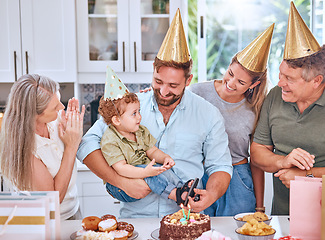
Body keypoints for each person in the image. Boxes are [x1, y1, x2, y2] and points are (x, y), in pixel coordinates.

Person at [77, 9, 232, 218]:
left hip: (185, 218)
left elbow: (220, 165)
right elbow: (87, 144)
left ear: (188, 80)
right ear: (153, 70)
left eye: (173, 85)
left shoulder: (208, 114)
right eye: (158, 82)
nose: (164, 91)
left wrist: (212, 193)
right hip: (136, 218)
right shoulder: (127, 107)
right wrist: (121, 182)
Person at [250, 2, 325, 215]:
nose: (280, 82)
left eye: (289, 78)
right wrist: (283, 161)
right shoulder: (275, 96)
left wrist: (307, 175)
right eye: (280, 74)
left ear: (316, 81)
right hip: (282, 217)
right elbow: (257, 152)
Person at [188, 24, 274, 216]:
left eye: (241, 82)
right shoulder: (197, 93)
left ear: (255, 84)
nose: (231, 83)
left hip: (238, 181)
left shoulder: (256, 109)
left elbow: (256, 161)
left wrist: (260, 207)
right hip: (200, 177)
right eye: (230, 73)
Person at [98, 66, 192, 204]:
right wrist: (145, 173)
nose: (139, 117)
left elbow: (152, 150)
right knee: (149, 171)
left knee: (162, 169)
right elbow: (121, 168)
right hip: (120, 186)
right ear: (116, 120)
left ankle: (183, 188)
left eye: (139, 111)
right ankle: (175, 195)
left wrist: (165, 158)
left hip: (141, 173)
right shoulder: (110, 140)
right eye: (134, 114)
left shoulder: (140, 131)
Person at [0, 74, 85, 220]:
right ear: (34, 114)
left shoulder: (55, 120)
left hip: (72, 210)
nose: (61, 107)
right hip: (43, 221)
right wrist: (71, 146)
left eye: (59, 100)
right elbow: (54, 199)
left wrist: (73, 132)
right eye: (54, 107)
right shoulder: (26, 149)